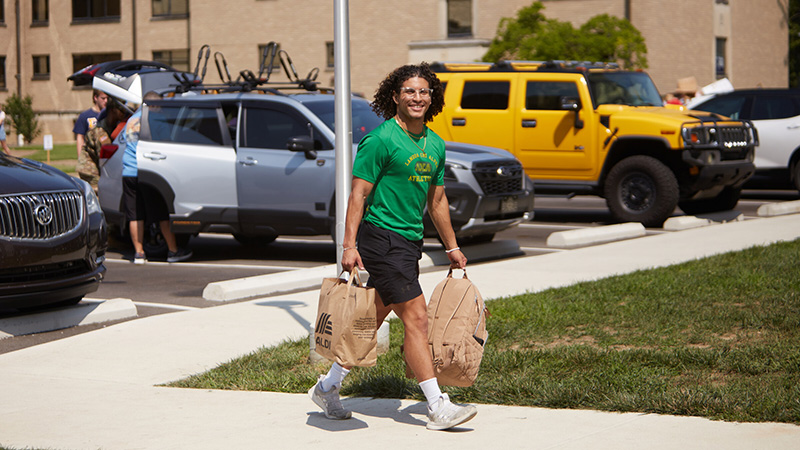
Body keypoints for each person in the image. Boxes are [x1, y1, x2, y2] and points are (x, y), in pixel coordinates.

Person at [308, 63, 477, 431]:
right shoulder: (381, 140)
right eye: (410, 91)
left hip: (409, 241)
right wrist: (348, 245)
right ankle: (437, 405)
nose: (417, 97)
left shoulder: (435, 143)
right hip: (382, 237)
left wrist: (452, 247)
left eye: (423, 91)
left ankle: (328, 386)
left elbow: (437, 200)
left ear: (432, 98)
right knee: (416, 317)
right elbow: (358, 194)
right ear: (396, 97)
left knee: (370, 319)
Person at [122, 91, 192, 264]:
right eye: (160, 106)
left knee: (135, 214)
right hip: (148, 171)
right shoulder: (156, 119)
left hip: (128, 171)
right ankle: (173, 251)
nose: (161, 109)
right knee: (161, 213)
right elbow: (166, 143)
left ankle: (139, 253)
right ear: (152, 105)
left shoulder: (132, 120)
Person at [79, 96, 132, 193]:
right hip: (91, 172)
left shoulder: (116, 126)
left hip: (100, 169)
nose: (124, 112)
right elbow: (106, 159)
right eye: (121, 110)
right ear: (112, 110)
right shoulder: (100, 132)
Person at [74, 89, 108, 159]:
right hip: (90, 155)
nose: (106, 101)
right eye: (103, 98)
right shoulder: (85, 116)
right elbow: (80, 136)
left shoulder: (109, 116)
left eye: (107, 98)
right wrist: (80, 157)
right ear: (95, 98)